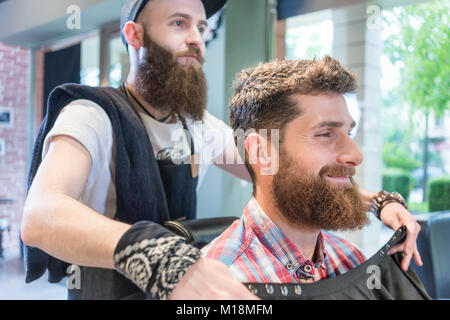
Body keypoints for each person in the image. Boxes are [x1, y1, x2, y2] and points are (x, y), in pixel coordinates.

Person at [21, 0, 420, 299]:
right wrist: (166, 260)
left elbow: (280, 165)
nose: (196, 38)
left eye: (200, 26)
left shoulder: (194, 126)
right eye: (178, 23)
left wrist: (377, 203)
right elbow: (40, 215)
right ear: (134, 36)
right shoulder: (91, 114)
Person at [202, 57, 421, 283]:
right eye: (325, 134)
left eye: (349, 133)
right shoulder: (220, 284)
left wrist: (382, 202)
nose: (356, 156)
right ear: (261, 153)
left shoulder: (351, 261)